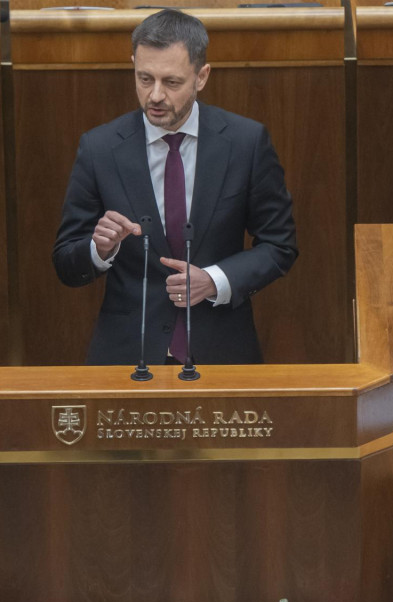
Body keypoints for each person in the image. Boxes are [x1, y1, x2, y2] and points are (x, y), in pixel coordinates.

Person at [53, 9, 297, 365]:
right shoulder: (100, 149)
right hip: (126, 356)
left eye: (171, 82)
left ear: (201, 76)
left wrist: (214, 281)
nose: (154, 96)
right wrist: (98, 250)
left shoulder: (246, 142)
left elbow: (280, 245)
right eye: (144, 78)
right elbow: (65, 262)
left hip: (221, 352)